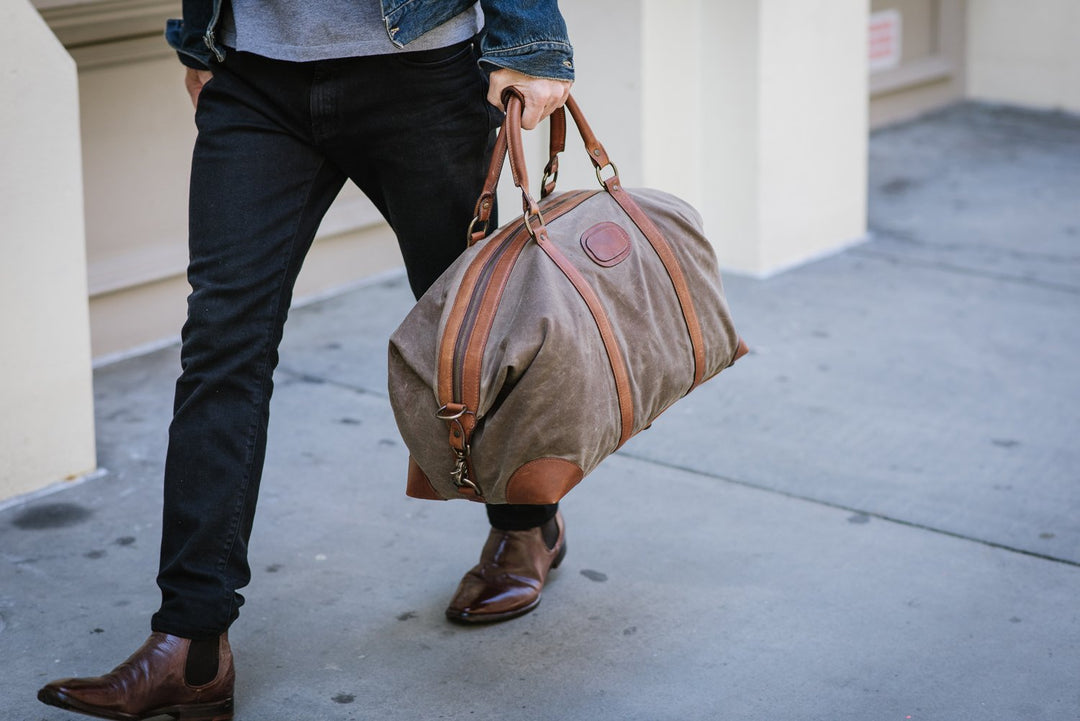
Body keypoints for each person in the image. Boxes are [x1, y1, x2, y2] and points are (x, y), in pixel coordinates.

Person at [38, 2, 573, 719]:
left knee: (469, 327)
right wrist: (198, 37)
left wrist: (531, 40)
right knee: (221, 344)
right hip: (254, 75)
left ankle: (525, 520)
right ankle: (191, 644)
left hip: (418, 71)